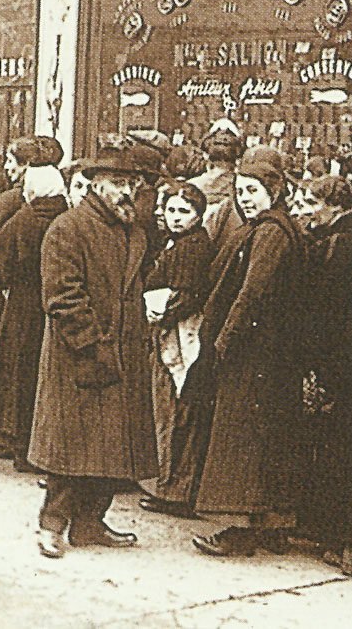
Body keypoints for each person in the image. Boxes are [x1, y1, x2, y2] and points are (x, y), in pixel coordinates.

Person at [29, 135, 158, 559]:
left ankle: (90, 523)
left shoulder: (132, 231)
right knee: (71, 451)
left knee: (112, 448)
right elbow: (62, 297)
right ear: (94, 183)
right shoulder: (67, 228)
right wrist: (92, 345)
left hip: (122, 351)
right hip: (78, 354)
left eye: (133, 183)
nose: (128, 191)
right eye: (118, 182)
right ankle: (53, 524)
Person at [191, 156, 307, 557]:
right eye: (240, 192)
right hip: (273, 351)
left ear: (274, 191)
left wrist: (224, 341)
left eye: (253, 191)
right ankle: (272, 525)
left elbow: (252, 291)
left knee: (241, 437)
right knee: (268, 436)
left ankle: (240, 528)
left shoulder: (271, 232)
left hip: (255, 351)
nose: (246, 199)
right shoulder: (274, 228)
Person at [292, 175, 352, 573]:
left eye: (312, 201)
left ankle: (346, 545)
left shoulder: (336, 247)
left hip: (344, 363)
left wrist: (314, 366)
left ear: (336, 206)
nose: (306, 210)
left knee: (343, 450)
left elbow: (323, 316)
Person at [0, 164, 69, 472]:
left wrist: (9, 284)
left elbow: (0, 259)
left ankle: (20, 446)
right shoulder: (66, 218)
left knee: (19, 375)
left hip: (23, 305)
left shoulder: (24, 219)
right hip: (53, 305)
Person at [139, 182, 214, 518]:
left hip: (181, 335)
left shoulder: (192, 247)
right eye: (171, 210)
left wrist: (159, 315)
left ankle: (176, 490)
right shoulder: (178, 243)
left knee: (177, 411)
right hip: (171, 330)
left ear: (199, 215)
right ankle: (168, 484)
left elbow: (187, 294)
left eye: (185, 212)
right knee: (170, 410)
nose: (176, 217)